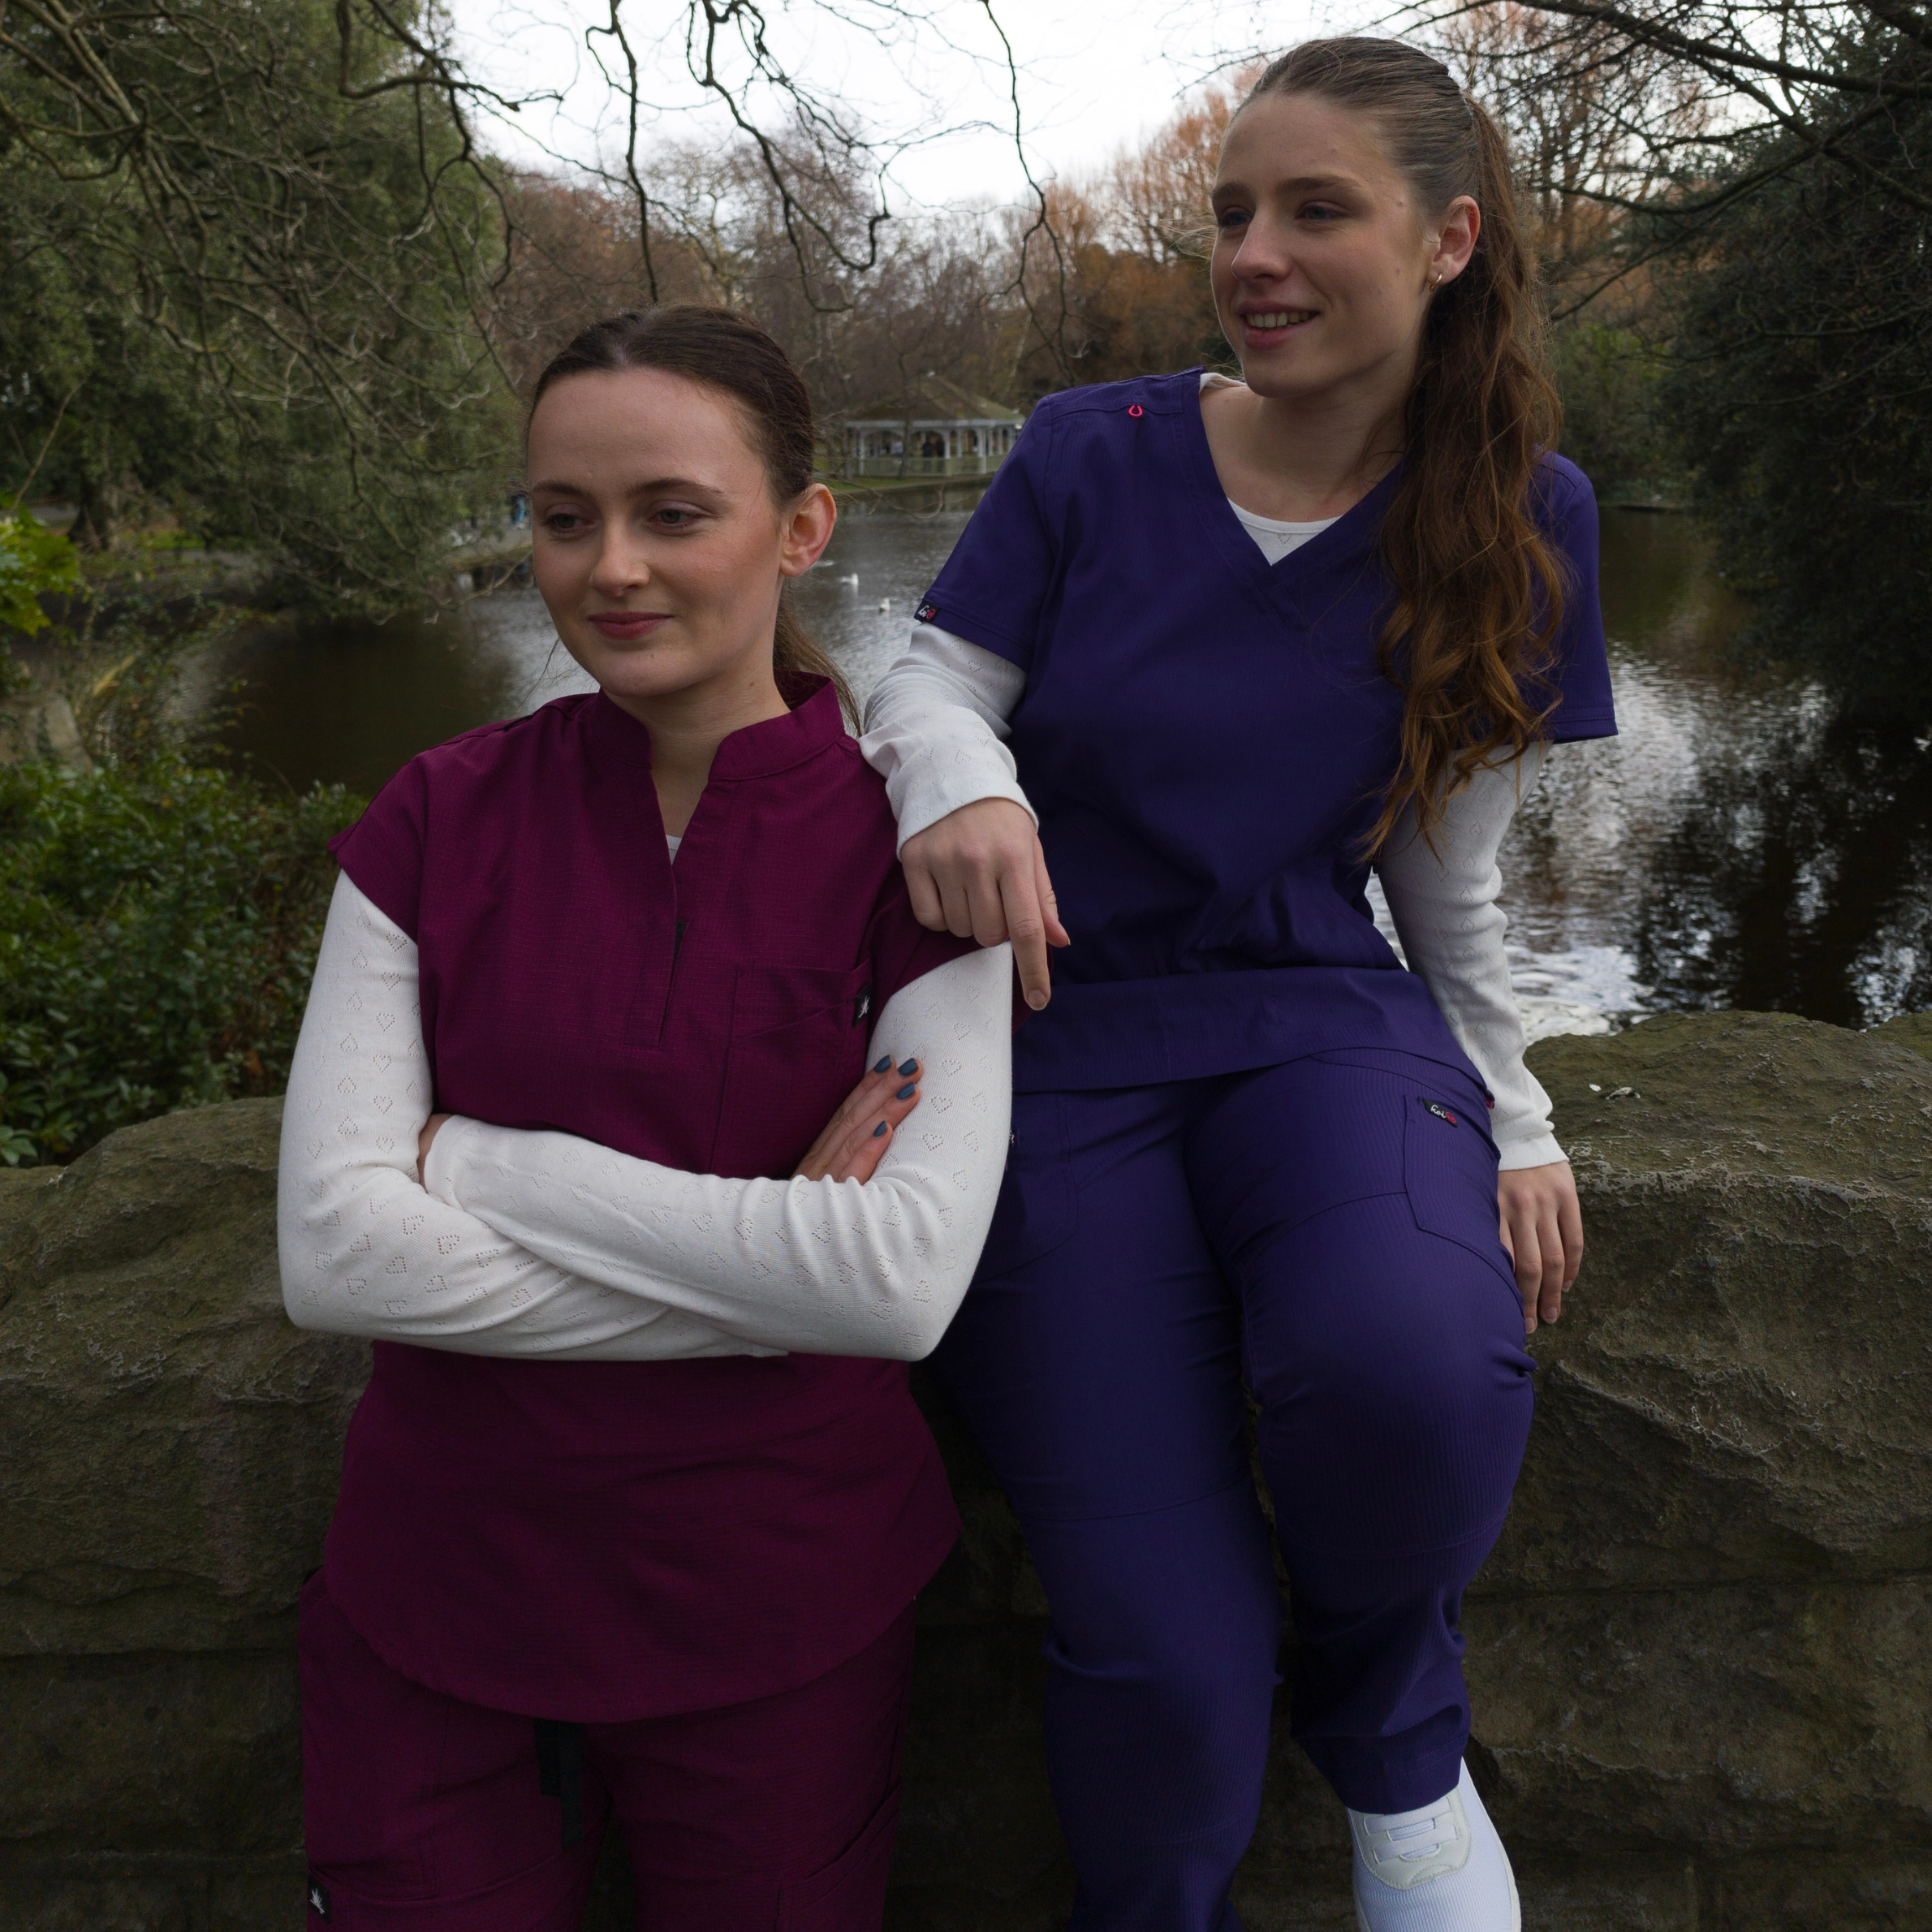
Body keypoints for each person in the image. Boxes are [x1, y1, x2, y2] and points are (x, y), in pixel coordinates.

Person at [859, 37, 1616, 1932]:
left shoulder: (1530, 517)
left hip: (1314, 1017)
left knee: (1419, 1365)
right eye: (1228, 214)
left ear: (1445, 238)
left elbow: (1447, 875)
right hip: (1048, 1048)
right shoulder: (1086, 455)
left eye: (1311, 209)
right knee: (1163, 1671)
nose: (1251, 254)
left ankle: (1389, 1729)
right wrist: (958, 779)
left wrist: (1509, 1114)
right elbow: (930, 681)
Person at [277, 306, 1014, 1932]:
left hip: (780, 1600)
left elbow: (890, 1281)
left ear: (799, 527)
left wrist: (480, 1164)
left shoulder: (926, 853)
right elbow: (337, 1254)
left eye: (671, 512)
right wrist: (769, 1282)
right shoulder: (433, 818)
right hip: (436, 1591)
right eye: (562, 516)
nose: (608, 565)